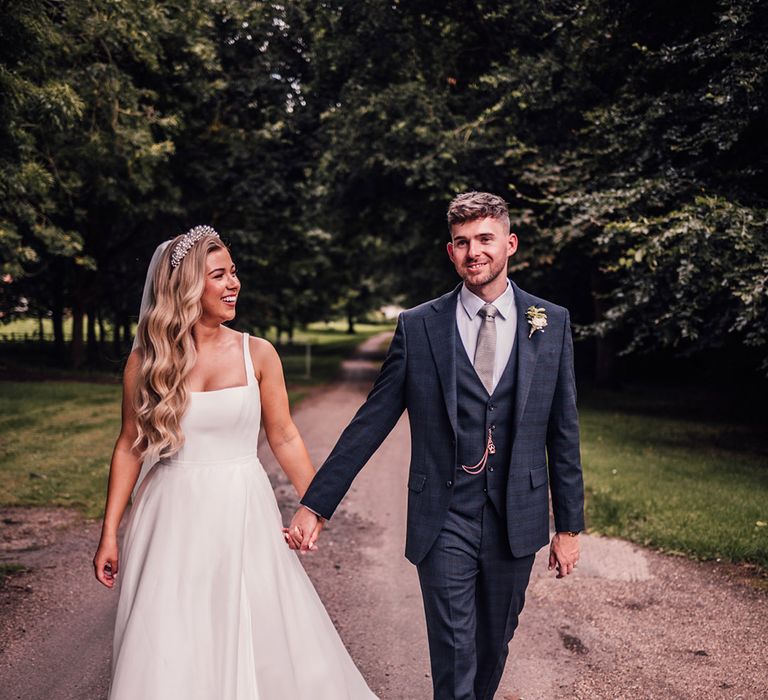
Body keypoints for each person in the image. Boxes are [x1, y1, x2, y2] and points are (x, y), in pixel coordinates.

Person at [288, 192, 585, 700]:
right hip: (445, 515)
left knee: (493, 648)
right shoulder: (419, 326)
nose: (475, 252)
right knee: (454, 654)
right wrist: (316, 504)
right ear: (450, 252)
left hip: (518, 517)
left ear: (509, 244)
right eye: (462, 242)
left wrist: (570, 525)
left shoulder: (550, 322)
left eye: (485, 240)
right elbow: (371, 421)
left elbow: (563, 431)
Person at [93, 225, 376, 699]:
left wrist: (316, 506)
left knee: (259, 627)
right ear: (186, 287)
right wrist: (109, 534)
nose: (233, 284)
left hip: (242, 510)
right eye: (219, 275)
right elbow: (129, 445)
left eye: (234, 272)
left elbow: (283, 434)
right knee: (169, 635)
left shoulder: (257, 353)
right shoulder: (147, 361)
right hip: (169, 518)